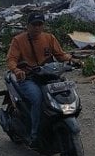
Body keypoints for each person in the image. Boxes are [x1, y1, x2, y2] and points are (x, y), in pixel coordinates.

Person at [5, 11, 82, 147]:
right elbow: (11, 59)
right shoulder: (18, 40)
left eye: (40, 24)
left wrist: (73, 59)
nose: (37, 28)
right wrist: (16, 70)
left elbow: (60, 55)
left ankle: (60, 123)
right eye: (34, 24)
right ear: (27, 25)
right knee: (37, 98)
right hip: (28, 78)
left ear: (43, 26)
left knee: (65, 93)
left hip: (48, 75)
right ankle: (34, 134)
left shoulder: (49, 38)